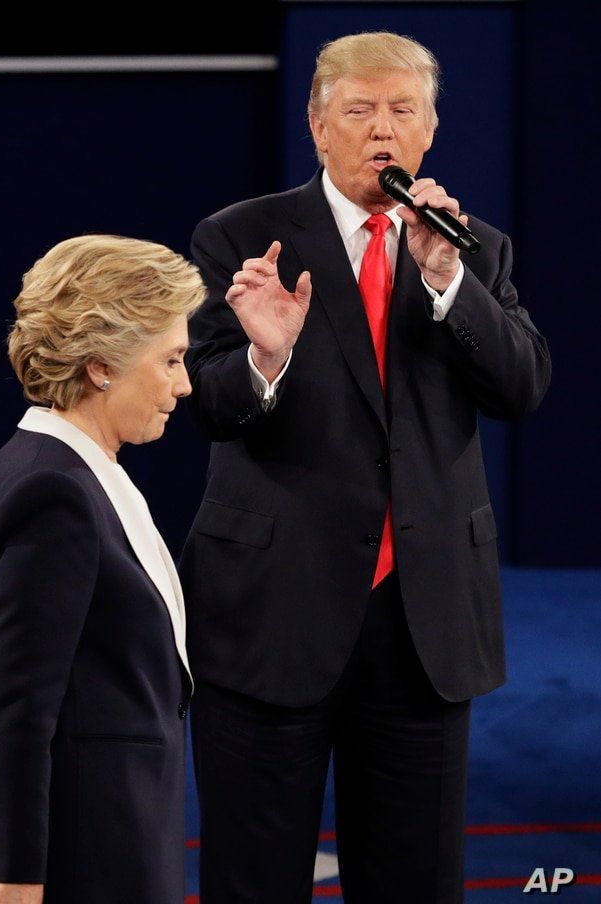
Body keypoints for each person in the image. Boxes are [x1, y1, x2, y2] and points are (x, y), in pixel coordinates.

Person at [180, 31, 551, 903]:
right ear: (317, 126)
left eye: (401, 112)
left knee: (414, 880)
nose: (381, 130)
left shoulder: (472, 249)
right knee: (253, 878)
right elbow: (201, 399)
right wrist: (264, 359)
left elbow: (522, 387)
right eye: (359, 111)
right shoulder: (242, 237)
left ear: (427, 133)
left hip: (422, 621)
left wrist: (447, 285)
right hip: (272, 609)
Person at [0, 235, 205, 904]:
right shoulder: (56, 493)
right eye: (171, 360)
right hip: (76, 860)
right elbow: (19, 705)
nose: (184, 385)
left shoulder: (63, 469)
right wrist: (19, 874)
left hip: (105, 838)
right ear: (102, 365)